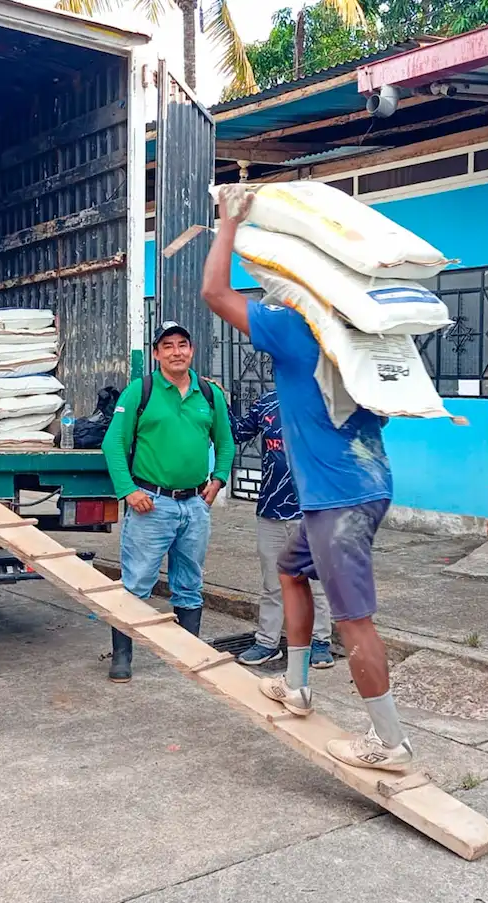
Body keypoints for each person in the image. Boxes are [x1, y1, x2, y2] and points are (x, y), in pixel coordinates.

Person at [200, 188, 415, 772]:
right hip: (364, 484)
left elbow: (215, 293)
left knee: (353, 620)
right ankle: (296, 686)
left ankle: (389, 743)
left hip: (338, 499)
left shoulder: (295, 328)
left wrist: (228, 225)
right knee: (291, 571)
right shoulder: (364, 333)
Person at [100, 321, 235, 682]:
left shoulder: (209, 394)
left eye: (183, 345)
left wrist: (219, 478)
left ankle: (189, 654)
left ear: (191, 350)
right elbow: (113, 443)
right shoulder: (139, 391)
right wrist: (128, 490)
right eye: (168, 346)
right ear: (157, 353)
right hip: (151, 504)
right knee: (137, 583)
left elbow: (226, 441)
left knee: (189, 582)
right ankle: (122, 656)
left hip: (194, 505)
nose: (177, 352)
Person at [229, 391, 334, 669]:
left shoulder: (329, 401)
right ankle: (267, 642)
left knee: (317, 583)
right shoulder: (267, 402)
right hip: (271, 510)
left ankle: (321, 641)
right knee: (272, 584)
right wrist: (217, 397)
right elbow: (237, 433)